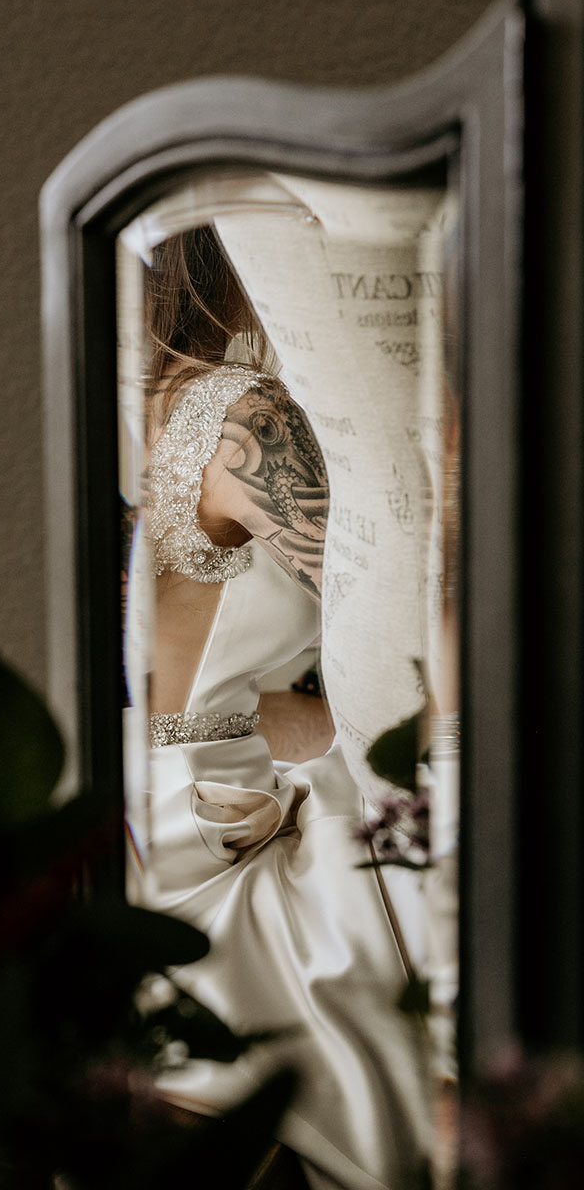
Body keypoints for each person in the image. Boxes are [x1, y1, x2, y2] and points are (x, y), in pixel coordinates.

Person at [125, 226, 431, 1190]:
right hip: (223, 855)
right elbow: (406, 602)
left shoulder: (164, 390)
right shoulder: (233, 415)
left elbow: (244, 697)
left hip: (194, 805)